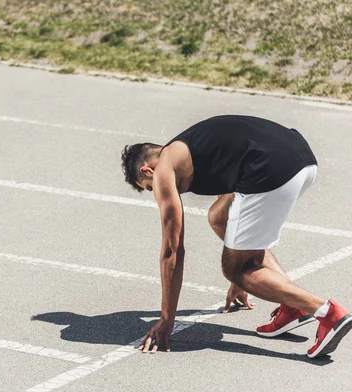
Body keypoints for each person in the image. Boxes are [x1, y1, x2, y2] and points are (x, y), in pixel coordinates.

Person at [120, 115, 351, 358]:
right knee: (218, 216)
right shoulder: (199, 149)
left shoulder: (164, 169)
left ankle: (326, 313)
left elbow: (172, 252)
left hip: (271, 169)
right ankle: (293, 306)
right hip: (301, 160)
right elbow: (232, 211)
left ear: (148, 170)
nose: (155, 190)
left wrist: (167, 320)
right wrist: (243, 281)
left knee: (235, 269)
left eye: (149, 186)